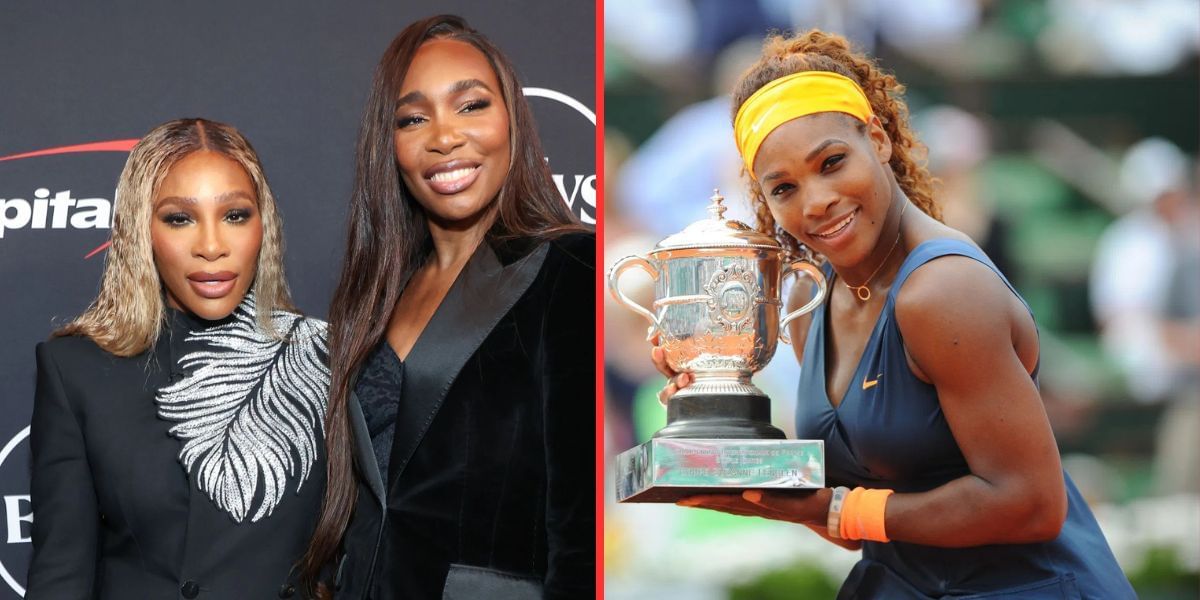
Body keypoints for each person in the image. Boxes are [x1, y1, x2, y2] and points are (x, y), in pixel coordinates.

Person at [655, 30, 1135, 598]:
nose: (815, 201)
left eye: (832, 162)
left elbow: (1029, 504)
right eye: (783, 188)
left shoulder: (944, 291)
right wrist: (715, 421)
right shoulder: (811, 304)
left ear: (878, 140)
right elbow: (871, 517)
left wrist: (837, 510)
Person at [298, 15, 595, 600]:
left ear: (512, 118)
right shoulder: (376, 296)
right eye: (413, 118)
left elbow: (580, 527)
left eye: (471, 106)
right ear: (392, 146)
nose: (444, 136)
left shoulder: (569, 269)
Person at [27, 118, 330, 598]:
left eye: (235, 215)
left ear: (263, 225)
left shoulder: (322, 356)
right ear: (139, 231)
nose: (211, 247)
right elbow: (62, 574)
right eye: (179, 218)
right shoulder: (78, 371)